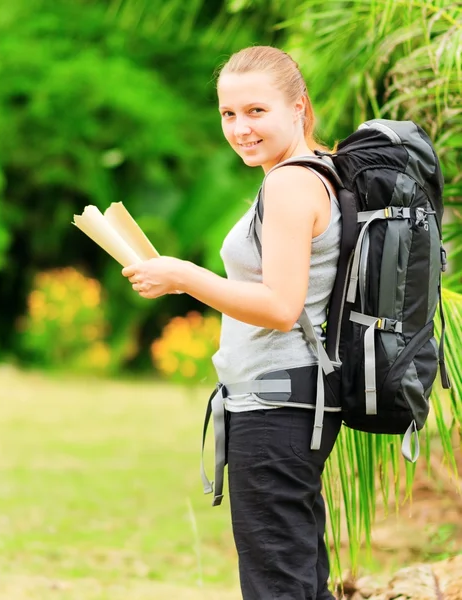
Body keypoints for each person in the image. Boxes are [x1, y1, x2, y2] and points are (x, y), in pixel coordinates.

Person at [122, 45, 342, 600]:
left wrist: (183, 276)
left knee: (277, 587)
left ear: (299, 107)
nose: (240, 128)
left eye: (256, 111)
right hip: (286, 405)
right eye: (228, 114)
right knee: (298, 578)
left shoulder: (291, 184)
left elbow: (279, 305)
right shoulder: (310, 173)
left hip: (277, 410)